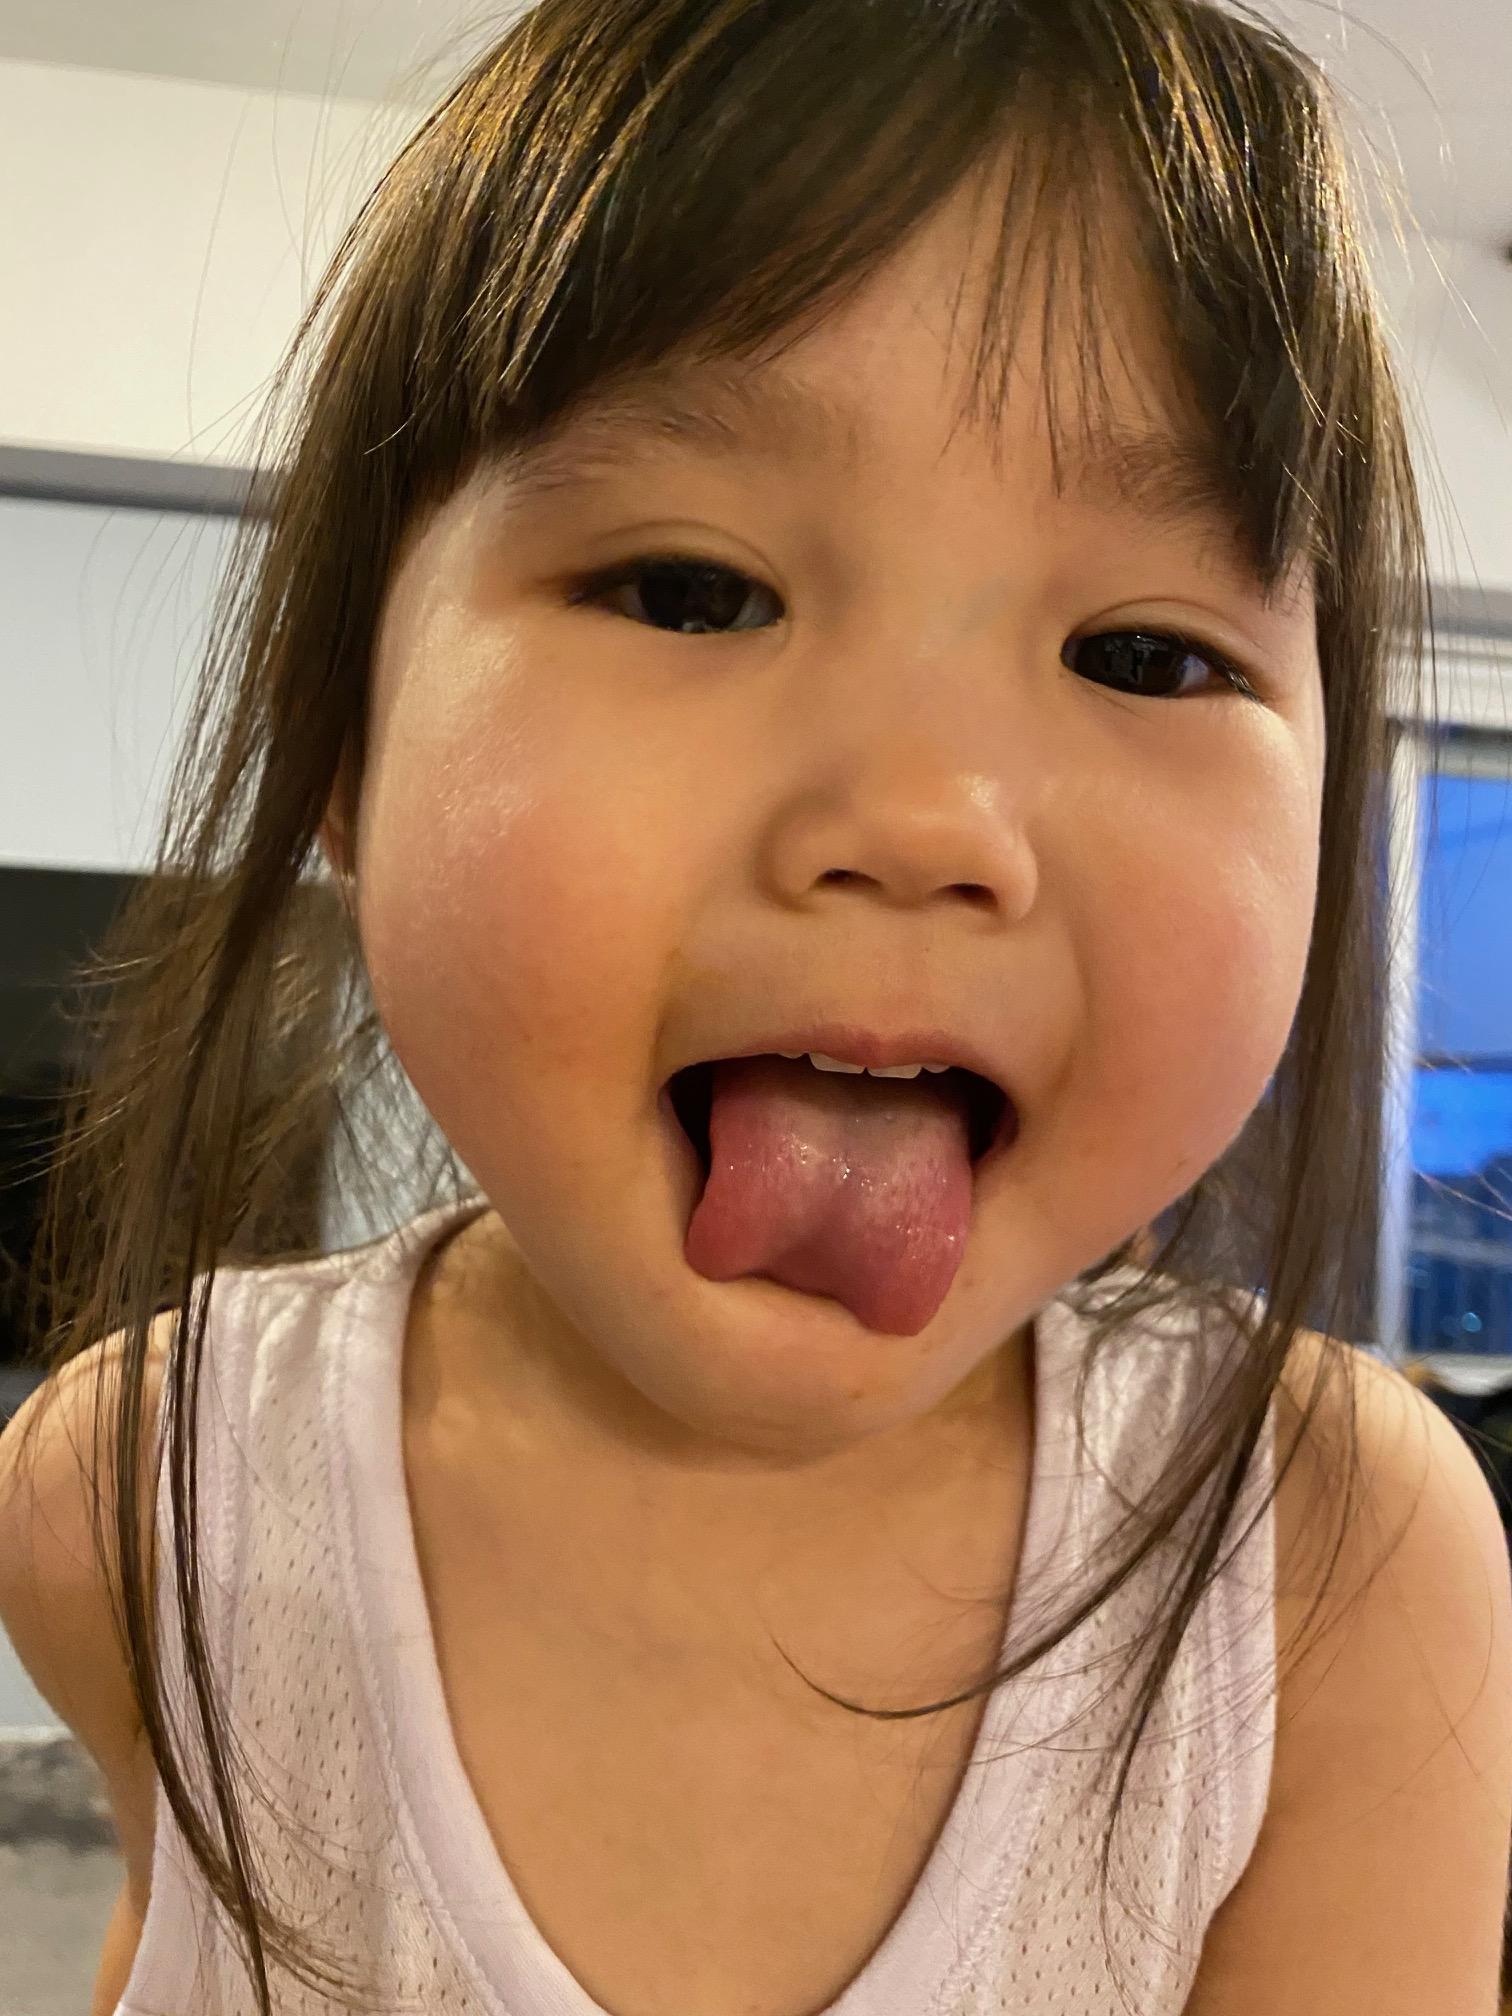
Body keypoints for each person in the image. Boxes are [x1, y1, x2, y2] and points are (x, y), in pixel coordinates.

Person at [2, 1, 1510, 2011]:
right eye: (693, 591)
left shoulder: (1322, 1567)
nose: (926, 820)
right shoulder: (144, 1492)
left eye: (1145, 654)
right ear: (343, 748)